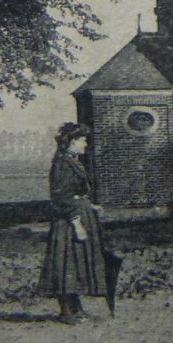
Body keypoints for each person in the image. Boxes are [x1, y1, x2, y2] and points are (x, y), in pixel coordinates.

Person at [40, 122, 108, 323]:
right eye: (82, 140)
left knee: (75, 264)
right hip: (68, 223)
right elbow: (61, 198)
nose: (86, 144)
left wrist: (89, 205)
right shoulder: (62, 164)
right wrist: (76, 222)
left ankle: (76, 308)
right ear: (71, 142)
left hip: (77, 216)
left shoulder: (72, 161)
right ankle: (66, 312)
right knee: (66, 264)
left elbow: (76, 193)